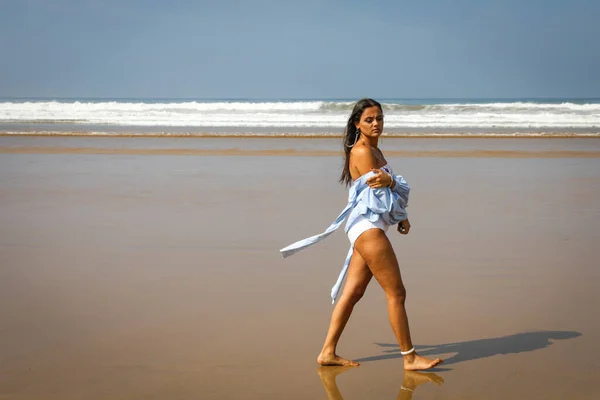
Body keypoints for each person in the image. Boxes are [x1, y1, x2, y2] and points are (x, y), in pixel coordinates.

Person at [280, 98, 442, 371]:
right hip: (368, 230)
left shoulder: (376, 151)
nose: (376, 123)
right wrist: (393, 186)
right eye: (369, 119)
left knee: (352, 292)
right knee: (396, 293)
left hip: (368, 227)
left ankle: (327, 352)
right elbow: (382, 197)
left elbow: (385, 194)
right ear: (357, 123)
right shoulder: (362, 152)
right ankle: (410, 357)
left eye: (379, 118)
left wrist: (402, 214)